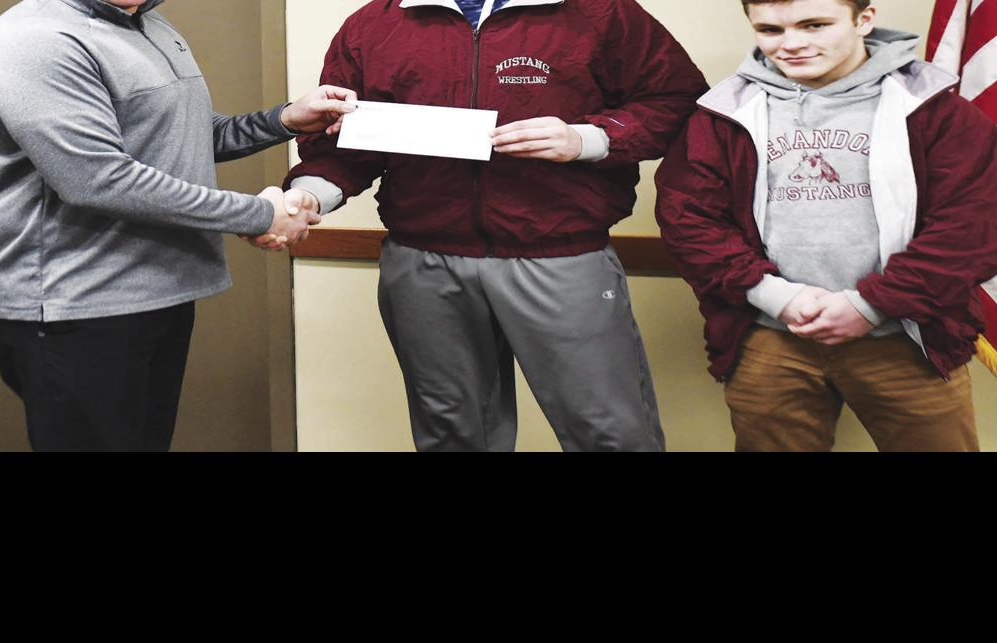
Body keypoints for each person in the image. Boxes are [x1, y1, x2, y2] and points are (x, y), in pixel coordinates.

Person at [283, 0, 707, 452]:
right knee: (451, 436)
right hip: (423, 262)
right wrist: (311, 194)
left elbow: (676, 99)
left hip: (559, 255)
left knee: (609, 432)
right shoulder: (375, 23)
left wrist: (588, 138)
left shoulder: (598, 12)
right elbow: (339, 138)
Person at [0, 0, 357, 451]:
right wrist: (259, 214)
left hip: (159, 292)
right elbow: (98, 179)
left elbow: (185, 137)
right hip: (74, 304)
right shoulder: (35, 37)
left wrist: (283, 119)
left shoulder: (149, 24)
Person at [655, 0, 997, 452]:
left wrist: (871, 304)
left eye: (814, 25)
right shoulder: (722, 115)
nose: (791, 44)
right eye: (770, 30)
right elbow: (690, 221)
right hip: (771, 336)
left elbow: (973, 229)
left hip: (907, 336)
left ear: (864, 20)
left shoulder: (934, 110)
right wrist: (775, 296)